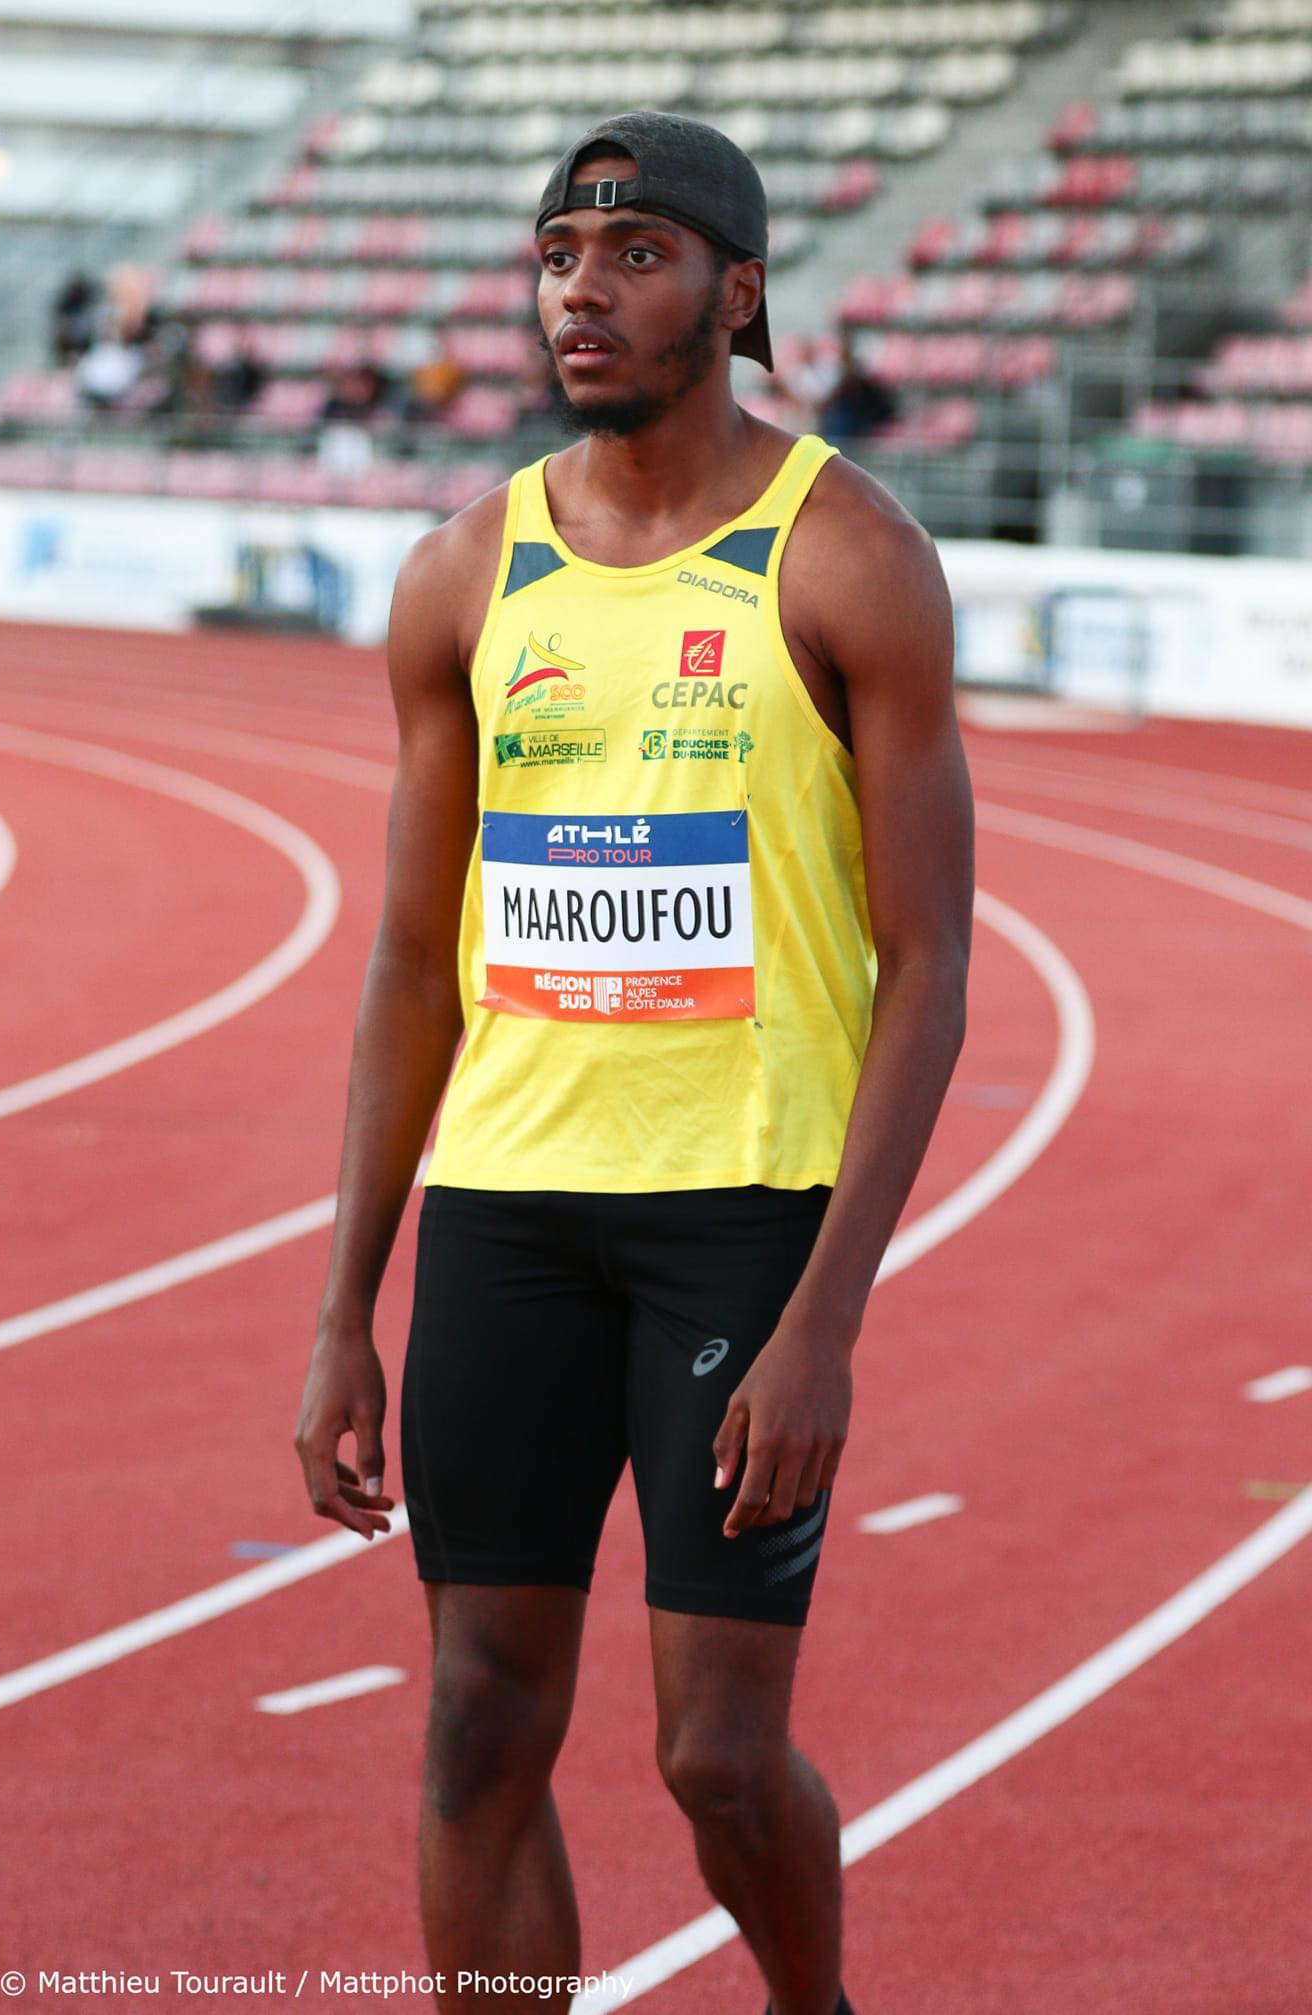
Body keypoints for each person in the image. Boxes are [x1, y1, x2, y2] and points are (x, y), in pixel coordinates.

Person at [294, 109, 973, 2015]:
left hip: (741, 1219)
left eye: (638, 256)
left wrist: (829, 1314)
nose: (582, 293)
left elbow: (931, 963)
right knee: (475, 1728)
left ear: (739, 293)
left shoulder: (847, 556)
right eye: (557, 258)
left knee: (715, 1759)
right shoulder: (463, 575)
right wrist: (347, 1300)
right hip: (507, 1213)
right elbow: (416, 957)